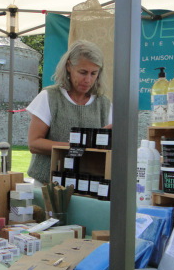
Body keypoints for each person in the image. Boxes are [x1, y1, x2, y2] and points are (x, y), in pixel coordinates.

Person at [26, 40, 113, 185]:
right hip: (48, 185)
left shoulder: (104, 103)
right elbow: (34, 144)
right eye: (83, 72)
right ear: (68, 67)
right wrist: (79, 148)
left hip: (89, 186)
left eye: (94, 73)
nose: (88, 79)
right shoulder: (50, 97)